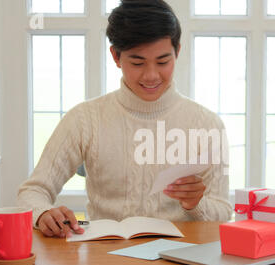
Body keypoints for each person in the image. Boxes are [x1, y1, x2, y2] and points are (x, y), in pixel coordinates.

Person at [17, 0, 232, 238]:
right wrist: (43, 213)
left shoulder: (207, 124)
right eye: (137, 62)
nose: (151, 75)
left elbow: (222, 212)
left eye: (163, 62)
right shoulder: (85, 119)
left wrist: (196, 204)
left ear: (177, 52)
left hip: (180, 262)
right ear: (116, 56)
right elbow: (33, 191)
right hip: (105, 259)